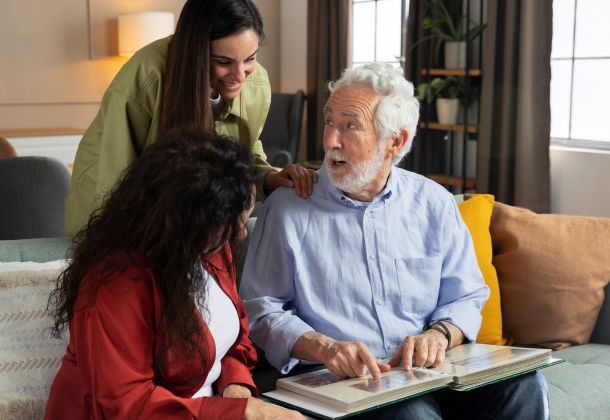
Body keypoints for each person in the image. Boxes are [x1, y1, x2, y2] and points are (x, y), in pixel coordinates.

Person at [240, 63, 549, 419]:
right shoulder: (288, 208)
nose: (329, 141)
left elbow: (466, 294)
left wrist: (440, 335)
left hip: (432, 371)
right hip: (340, 379)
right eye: (329, 121)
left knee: (526, 387)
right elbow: (261, 308)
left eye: (350, 125)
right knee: (412, 415)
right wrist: (323, 347)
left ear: (395, 142)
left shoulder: (434, 203)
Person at [46, 128, 303, 419]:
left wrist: (236, 384)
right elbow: (128, 405)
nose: (241, 235)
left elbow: (235, 340)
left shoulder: (212, 248)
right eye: (234, 224)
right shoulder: (116, 282)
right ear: (188, 223)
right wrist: (240, 412)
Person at [65, 0, 316, 237]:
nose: (240, 75)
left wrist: (270, 177)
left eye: (250, 58)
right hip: (117, 213)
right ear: (195, 52)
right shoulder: (146, 77)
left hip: (192, 219)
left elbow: (245, 153)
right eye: (223, 61)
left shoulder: (256, 84)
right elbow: (115, 181)